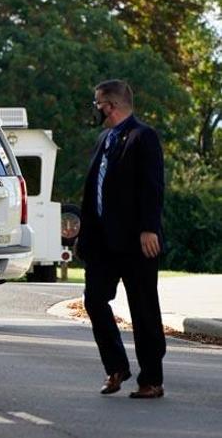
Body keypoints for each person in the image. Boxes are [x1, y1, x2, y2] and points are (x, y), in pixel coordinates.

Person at [77, 80, 166, 399]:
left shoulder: (143, 137)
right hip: (102, 243)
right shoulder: (105, 138)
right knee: (94, 300)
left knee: (143, 309)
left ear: (110, 105)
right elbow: (94, 191)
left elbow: (152, 186)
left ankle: (151, 380)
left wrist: (149, 228)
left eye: (97, 103)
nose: (95, 109)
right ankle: (116, 366)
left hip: (136, 242)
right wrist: (84, 237)